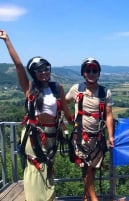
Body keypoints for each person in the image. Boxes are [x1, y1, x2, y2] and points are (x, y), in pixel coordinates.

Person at [0, 30, 72, 201]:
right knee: (36, 167)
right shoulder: (29, 87)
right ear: (34, 73)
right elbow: (18, 65)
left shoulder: (57, 87)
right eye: (40, 71)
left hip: (52, 135)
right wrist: (7, 40)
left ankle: (49, 198)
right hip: (34, 135)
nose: (44, 72)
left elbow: (66, 112)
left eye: (46, 69)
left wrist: (75, 126)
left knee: (47, 167)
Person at [65, 57, 114, 201]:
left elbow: (109, 115)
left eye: (94, 70)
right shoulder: (76, 90)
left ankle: (86, 198)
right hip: (80, 137)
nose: (91, 73)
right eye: (88, 70)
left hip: (97, 138)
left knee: (91, 169)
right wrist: (66, 118)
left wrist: (110, 136)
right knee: (86, 169)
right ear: (83, 73)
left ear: (98, 73)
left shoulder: (105, 93)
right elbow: (63, 102)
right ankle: (94, 199)